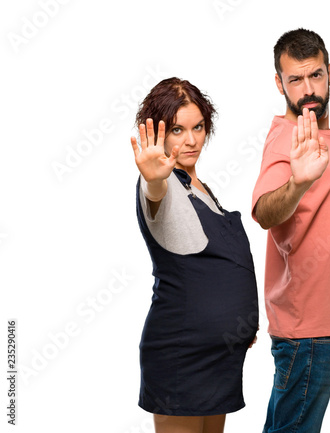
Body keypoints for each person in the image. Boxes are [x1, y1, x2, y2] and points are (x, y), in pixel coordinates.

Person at [130, 77, 258, 433]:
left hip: (221, 357)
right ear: (157, 134)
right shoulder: (163, 182)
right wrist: (154, 178)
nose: (191, 140)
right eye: (177, 129)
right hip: (181, 356)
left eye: (198, 127)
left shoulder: (201, 187)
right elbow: (153, 192)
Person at [251, 29, 330, 432]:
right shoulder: (287, 140)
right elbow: (264, 210)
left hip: (327, 327)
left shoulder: (326, 137)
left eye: (315, 75)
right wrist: (296, 184)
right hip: (307, 330)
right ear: (279, 83)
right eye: (295, 79)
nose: (308, 88)